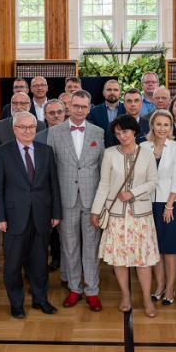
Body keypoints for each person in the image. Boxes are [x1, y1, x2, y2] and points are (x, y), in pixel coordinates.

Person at [0, 112, 62, 319]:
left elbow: (53, 184)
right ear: (14, 129)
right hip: (13, 217)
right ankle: (16, 303)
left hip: (42, 215)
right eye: (22, 127)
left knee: (40, 262)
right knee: (12, 264)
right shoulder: (3, 152)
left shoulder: (46, 151)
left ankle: (41, 299)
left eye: (31, 127)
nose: (28, 131)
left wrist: (56, 211)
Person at [91, 115, 159, 317]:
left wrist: (133, 193)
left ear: (135, 131)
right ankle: (126, 296)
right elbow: (104, 183)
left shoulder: (147, 154)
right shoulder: (109, 153)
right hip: (117, 215)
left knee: (143, 260)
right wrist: (96, 210)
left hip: (141, 215)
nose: (122, 136)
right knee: (119, 259)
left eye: (125, 131)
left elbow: (153, 182)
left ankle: (147, 298)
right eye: (118, 133)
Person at [46, 91, 105, 311]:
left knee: (91, 247)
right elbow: (50, 170)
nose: (80, 110)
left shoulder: (98, 133)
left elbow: (101, 170)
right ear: (69, 106)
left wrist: (101, 204)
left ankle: (92, 291)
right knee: (69, 247)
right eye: (76, 105)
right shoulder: (55, 132)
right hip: (65, 200)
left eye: (84, 106)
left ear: (90, 108)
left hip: (91, 201)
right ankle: (74, 288)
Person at [141, 110, 176, 306]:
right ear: (152, 126)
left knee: (170, 249)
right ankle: (159, 286)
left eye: (166, 125)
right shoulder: (143, 147)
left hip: (171, 205)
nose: (162, 128)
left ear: (171, 127)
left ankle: (169, 288)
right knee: (154, 249)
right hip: (148, 204)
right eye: (158, 124)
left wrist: (168, 206)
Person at [35, 99, 68, 276]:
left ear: (64, 113)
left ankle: (67, 274)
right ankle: (38, 276)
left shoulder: (75, 135)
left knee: (68, 240)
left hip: (69, 194)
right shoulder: (38, 138)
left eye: (59, 112)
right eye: (52, 113)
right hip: (44, 196)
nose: (56, 116)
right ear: (44, 115)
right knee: (41, 239)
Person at [87, 79, 125, 147]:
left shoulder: (127, 110)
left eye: (115, 90)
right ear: (103, 93)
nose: (112, 92)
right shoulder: (93, 112)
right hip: (101, 152)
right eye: (109, 90)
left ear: (120, 93)